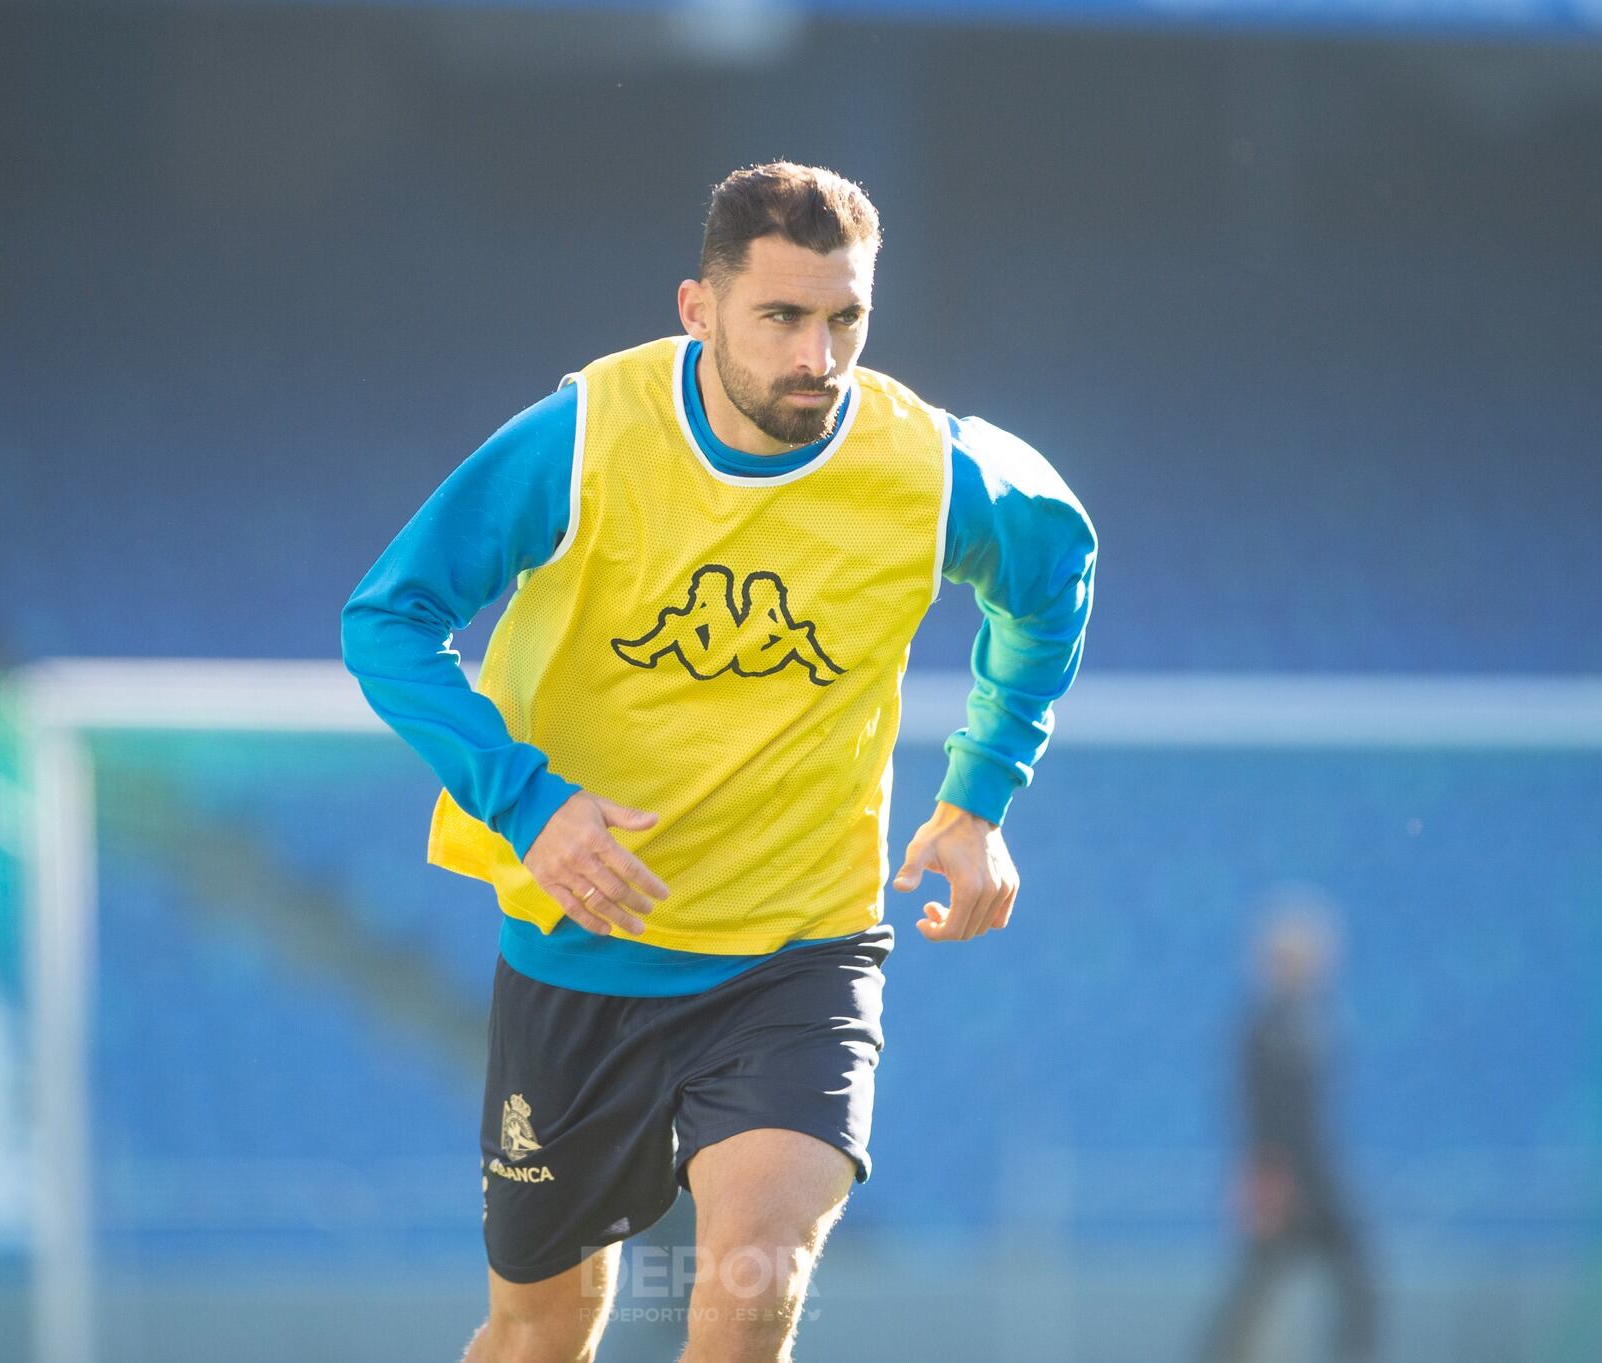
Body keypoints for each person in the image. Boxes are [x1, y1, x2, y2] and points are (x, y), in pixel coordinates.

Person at [342, 161, 1097, 1363]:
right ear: (697, 309)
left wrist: (979, 795)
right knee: (539, 1333)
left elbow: (1054, 571)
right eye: (780, 316)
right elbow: (386, 619)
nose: (816, 356)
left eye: (844, 318)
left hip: (796, 955)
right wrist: (527, 802)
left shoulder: (928, 470)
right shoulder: (583, 438)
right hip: (577, 955)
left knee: (753, 1287)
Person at [1200, 891, 1377, 1363]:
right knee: (1257, 1285)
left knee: (1353, 1277)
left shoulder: (1310, 1023)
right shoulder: (1262, 1029)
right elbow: (1254, 1110)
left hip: (1317, 1174)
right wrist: (1264, 1178)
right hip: (1283, 1177)